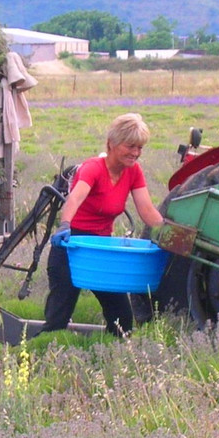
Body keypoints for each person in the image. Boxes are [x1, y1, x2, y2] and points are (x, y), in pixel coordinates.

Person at [42, 113, 165, 336]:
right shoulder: (94, 168)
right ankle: (40, 355)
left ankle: (112, 357)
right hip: (74, 245)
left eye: (140, 148)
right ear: (112, 144)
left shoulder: (133, 172)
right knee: (58, 317)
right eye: (130, 146)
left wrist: (169, 233)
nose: (136, 153)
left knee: (122, 318)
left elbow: (146, 210)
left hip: (100, 251)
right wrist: (64, 225)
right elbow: (75, 199)